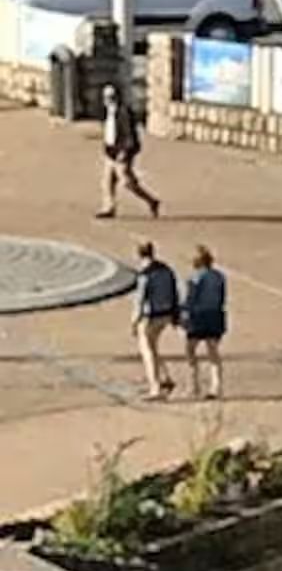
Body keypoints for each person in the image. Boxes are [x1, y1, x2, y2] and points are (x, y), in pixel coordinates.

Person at [98, 84, 158, 220]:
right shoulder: (107, 111)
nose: (108, 99)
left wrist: (125, 152)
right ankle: (109, 207)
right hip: (111, 152)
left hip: (122, 153)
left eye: (110, 97)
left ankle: (151, 201)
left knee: (127, 182)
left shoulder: (124, 112)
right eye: (106, 97)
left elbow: (130, 135)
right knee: (108, 182)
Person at [132, 242, 180, 402]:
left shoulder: (145, 274)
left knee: (147, 350)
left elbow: (140, 299)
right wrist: (175, 314)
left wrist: (134, 320)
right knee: (153, 345)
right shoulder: (166, 269)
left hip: (150, 315)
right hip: (166, 314)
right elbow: (174, 291)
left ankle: (155, 387)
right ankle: (166, 378)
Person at [183, 245, 228, 401]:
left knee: (190, 350)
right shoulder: (219, 276)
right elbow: (223, 297)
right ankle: (216, 386)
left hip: (198, 317)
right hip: (215, 315)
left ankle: (194, 384)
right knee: (213, 352)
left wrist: (184, 314)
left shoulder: (195, 278)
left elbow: (191, 298)